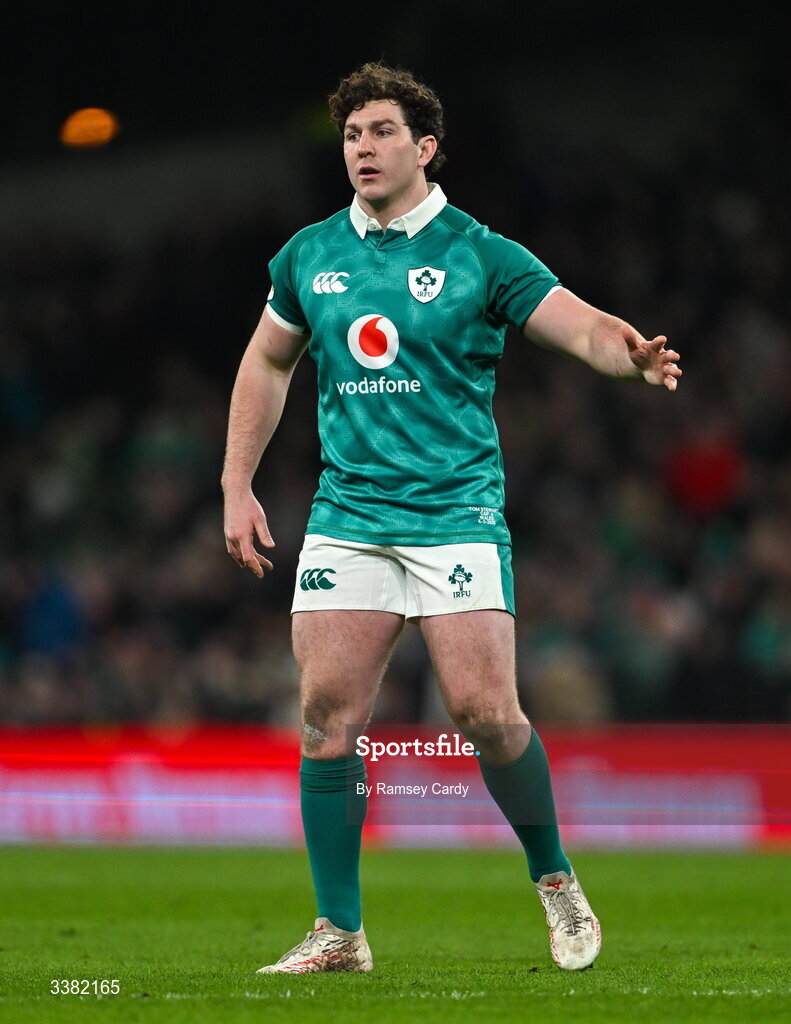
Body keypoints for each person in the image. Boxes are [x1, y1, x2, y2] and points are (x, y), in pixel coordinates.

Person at [221, 61, 681, 975]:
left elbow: (577, 323)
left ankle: (554, 878)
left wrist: (623, 354)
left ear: (425, 147)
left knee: (485, 713)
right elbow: (267, 363)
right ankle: (339, 932)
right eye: (352, 134)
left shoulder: (479, 252)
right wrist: (237, 482)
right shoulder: (309, 254)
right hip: (349, 513)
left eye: (382, 131)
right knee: (324, 716)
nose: (363, 148)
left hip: (455, 513)